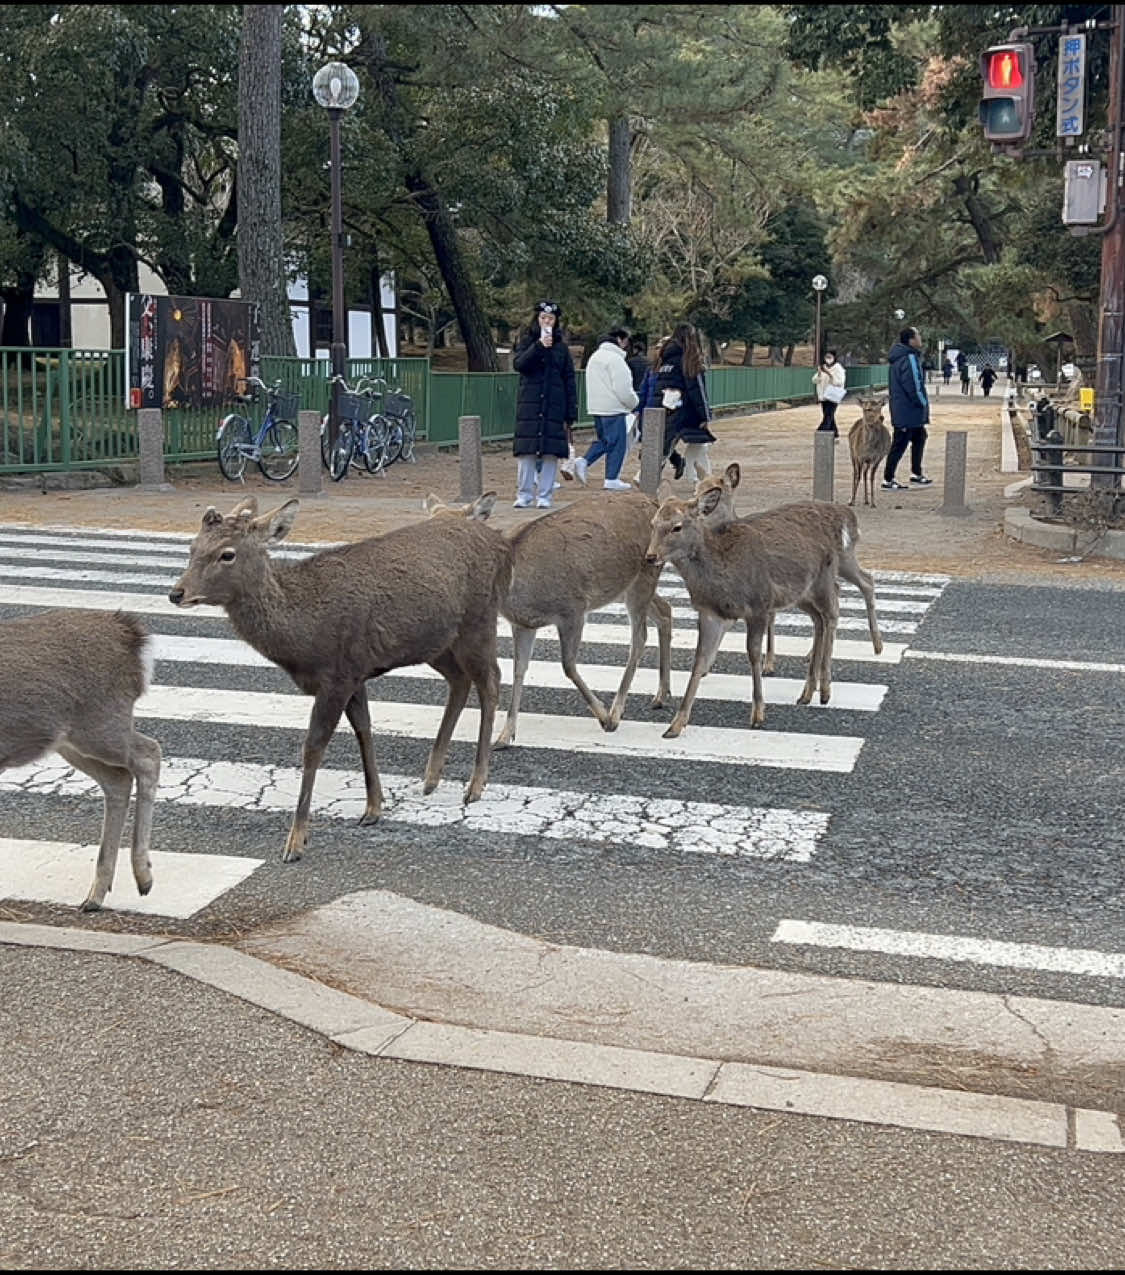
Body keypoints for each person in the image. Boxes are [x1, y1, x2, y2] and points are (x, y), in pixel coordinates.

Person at [512, 301, 577, 509]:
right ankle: (524, 494)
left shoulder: (562, 349)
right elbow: (520, 364)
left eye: (550, 319)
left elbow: (569, 380)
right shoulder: (526, 342)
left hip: (554, 406)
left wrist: (570, 411)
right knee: (526, 452)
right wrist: (538, 346)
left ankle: (545, 495)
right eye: (542, 318)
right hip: (530, 406)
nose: (546, 322)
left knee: (551, 453)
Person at [573, 327, 639, 491]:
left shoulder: (595, 357)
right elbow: (623, 388)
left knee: (605, 440)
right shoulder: (615, 360)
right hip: (614, 408)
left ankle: (585, 461)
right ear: (619, 340)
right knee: (617, 444)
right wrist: (634, 403)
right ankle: (611, 477)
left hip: (597, 407)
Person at [656, 323, 716, 479]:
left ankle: (698, 477)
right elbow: (697, 390)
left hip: (664, 407)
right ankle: (699, 478)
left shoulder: (664, 359)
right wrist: (705, 415)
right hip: (686, 411)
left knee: (668, 444)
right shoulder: (689, 359)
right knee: (696, 444)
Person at [882, 325, 932, 491]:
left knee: (920, 437)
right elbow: (913, 384)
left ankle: (916, 473)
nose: (920, 338)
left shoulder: (902, 356)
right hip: (908, 410)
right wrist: (922, 402)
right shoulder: (908, 358)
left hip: (904, 409)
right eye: (918, 335)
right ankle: (888, 478)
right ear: (911, 340)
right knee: (900, 443)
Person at [813, 349, 846, 437]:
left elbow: (839, 382)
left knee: (828, 415)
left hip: (833, 396)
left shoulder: (838, 368)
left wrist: (829, 375)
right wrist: (820, 373)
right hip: (823, 396)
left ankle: (821, 432)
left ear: (834, 358)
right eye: (826, 357)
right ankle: (835, 434)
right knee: (828, 415)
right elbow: (815, 380)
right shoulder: (823, 367)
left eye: (830, 357)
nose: (828, 359)